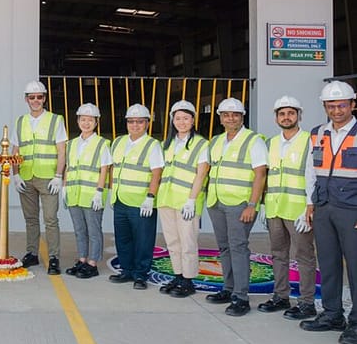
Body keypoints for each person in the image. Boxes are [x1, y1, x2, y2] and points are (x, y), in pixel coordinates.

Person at [300, 80, 357, 344]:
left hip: (351, 210)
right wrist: (310, 203)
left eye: (341, 105)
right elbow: (311, 170)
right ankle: (333, 314)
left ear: (352, 105)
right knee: (329, 263)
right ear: (324, 107)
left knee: (355, 267)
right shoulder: (318, 133)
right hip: (324, 207)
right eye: (331, 106)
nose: (336, 111)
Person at [204, 98, 267, 317]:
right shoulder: (216, 141)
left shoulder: (253, 141)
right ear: (220, 118)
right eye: (226, 115)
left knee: (238, 247)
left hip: (240, 204)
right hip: (217, 202)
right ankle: (228, 288)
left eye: (235, 115)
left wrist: (252, 205)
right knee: (224, 247)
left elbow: (260, 174)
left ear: (242, 117)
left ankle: (241, 297)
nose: (231, 118)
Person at [256, 96, 316, 320]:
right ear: (276, 118)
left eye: (291, 113)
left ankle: (307, 303)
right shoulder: (271, 143)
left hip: (299, 210)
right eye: (282, 114)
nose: (286, 117)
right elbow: (266, 176)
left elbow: (313, 177)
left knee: (304, 256)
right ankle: (281, 296)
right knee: (278, 254)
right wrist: (263, 204)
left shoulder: (309, 141)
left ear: (299, 116)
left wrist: (309, 207)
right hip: (275, 208)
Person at [11, 81, 67, 275]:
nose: (36, 100)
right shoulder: (20, 122)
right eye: (32, 97)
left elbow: (62, 151)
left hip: (48, 177)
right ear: (26, 99)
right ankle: (32, 253)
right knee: (31, 218)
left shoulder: (55, 120)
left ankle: (53, 258)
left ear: (44, 98)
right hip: (26, 176)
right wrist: (16, 174)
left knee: (50, 219)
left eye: (39, 97)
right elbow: (16, 150)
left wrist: (59, 175)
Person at [156, 100, 209, 298]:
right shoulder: (167, 144)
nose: (182, 122)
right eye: (178, 118)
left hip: (187, 202)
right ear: (172, 120)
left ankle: (188, 280)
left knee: (188, 243)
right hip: (166, 199)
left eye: (186, 118)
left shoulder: (201, 144)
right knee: (172, 241)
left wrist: (192, 200)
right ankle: (178, 276)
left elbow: (201, 174)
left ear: (193, 120)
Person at [108, 104, 164, 290]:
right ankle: (126, 270)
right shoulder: (118, 142)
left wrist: (150, 196)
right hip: (120, 199)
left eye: (139, 121)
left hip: (141, 202)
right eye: (131, 121)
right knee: (123, 239)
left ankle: (140, 274)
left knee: (143, 240)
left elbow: (157, 173)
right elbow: (113, 168)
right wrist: (111, 190)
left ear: (147, 123)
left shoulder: (152, 145)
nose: (135, 125)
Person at [62, 103, 111, 279]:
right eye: (83, 119)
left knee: (93, 230)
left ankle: (92, 263)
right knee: (79, 230)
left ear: (96, 122)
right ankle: (82, 260)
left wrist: (99, 191)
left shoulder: (102, 143)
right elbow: (69, 167)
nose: (86, 123)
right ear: (77, 121)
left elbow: (104, 169)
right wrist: (64, 187)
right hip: (74, 193)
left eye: (90, 120)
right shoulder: (71, 143)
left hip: (92, 195)